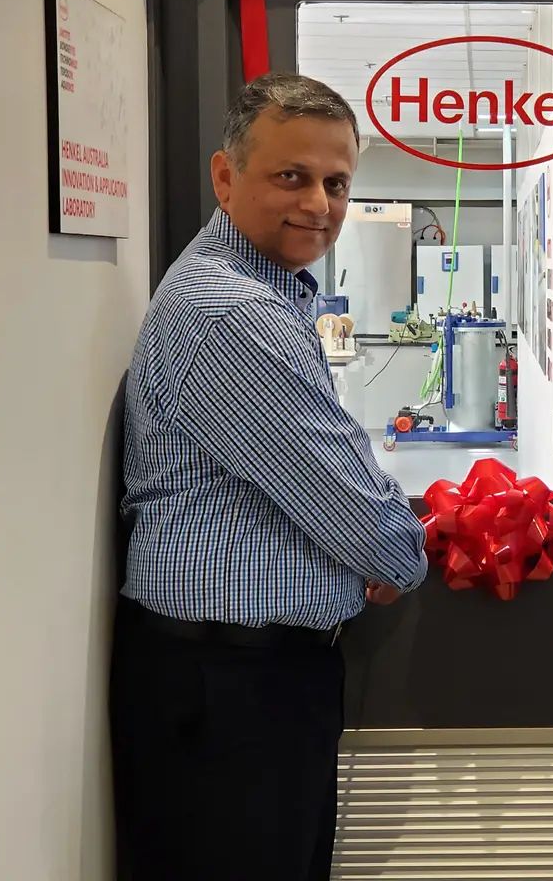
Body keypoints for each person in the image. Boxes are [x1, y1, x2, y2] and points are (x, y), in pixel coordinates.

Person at [111, 72, 428, 881]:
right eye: (291, 176)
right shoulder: (232, 313)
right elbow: (361, 519)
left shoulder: (263, 292)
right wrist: (393, 551)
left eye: (336, 182)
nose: (318, 203)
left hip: (241, 679)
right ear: (225, 176)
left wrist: (373, 535)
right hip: (230, 692)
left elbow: (331, 468)